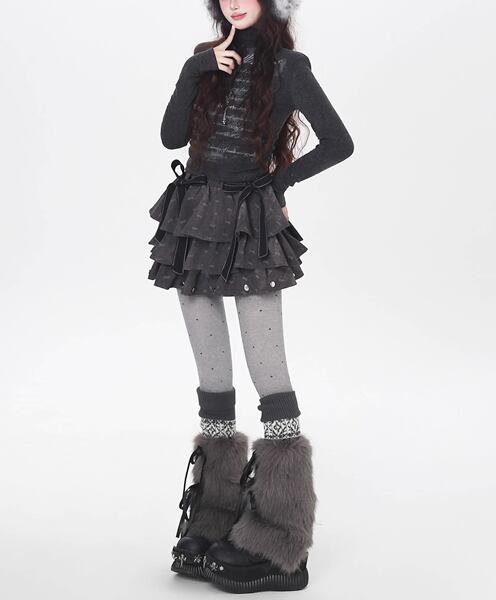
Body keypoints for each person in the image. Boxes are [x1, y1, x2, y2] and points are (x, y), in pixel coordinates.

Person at [148, 0, 354, 592]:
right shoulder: (203, 60)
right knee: (212, 374)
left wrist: (277, 184)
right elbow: (171, 137)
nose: (233, 0)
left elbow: (338, 143)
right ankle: (216, 515)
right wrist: (196, 70)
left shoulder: (288, 68)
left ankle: (282, 535)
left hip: (249, 223)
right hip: (192, 220)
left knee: (267, 368)